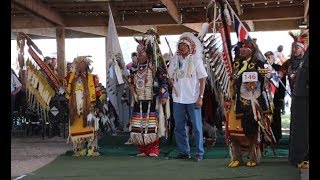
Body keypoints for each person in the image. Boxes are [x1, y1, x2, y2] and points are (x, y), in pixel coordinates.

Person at [226, 39, 272, 167]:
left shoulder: (259, 62)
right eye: (241, 48)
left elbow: (267, 77)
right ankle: (236, 158)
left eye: (245, 48)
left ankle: (253, 157)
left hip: (252, 102)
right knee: (234, 131)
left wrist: (262, 75)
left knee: (252, 130)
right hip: (236, 102)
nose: (242, 50)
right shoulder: (236, 63)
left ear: (252, 50)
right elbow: (232, 79)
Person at [127, 29, 169, 157]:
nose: (139, 54)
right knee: (138, 125)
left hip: (152, 99)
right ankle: (142, 149)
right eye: (138, 52)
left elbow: (164, 80)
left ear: (148, 53)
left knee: (151, 125)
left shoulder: (155, 66)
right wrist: (131, 87)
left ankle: (153, 149)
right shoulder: (134, 68)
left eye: (142, 52)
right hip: (139, 100)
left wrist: (164, 95)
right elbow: (131, 81)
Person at [167, 32, 208, 162]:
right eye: (180, 45)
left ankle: (199, 152)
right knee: (179, 126)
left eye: (184, 45)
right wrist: (170, 81)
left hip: (193, 98)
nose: (182, 47)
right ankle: (184, 151)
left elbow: (202, 79)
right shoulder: (175, 60)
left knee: (196, 127)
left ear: (190, 47)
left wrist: (200, 97)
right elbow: (170, 76)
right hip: (178, 98)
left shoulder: (196, 60)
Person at [65, 56, 102, 156]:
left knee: (91, 128)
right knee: (77, 128)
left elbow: (98, 93)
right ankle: (79, 150)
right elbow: (66, 94)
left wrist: (99, 106)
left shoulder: (92, 78)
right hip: (74, 108)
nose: (79, 66)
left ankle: (92, 149)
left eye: (81, 64)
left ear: (86, 66)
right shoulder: (69, 78)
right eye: (77, 64)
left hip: (89, 107)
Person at [288, 42, 309, 168]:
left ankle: (300, 157)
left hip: (302, 96)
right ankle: (300, 157)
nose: (294, 50)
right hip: (301, 96)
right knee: (300, 129)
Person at [264, 51, 286, 143]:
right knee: (265, 116)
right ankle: (266, 136)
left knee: (276, 116)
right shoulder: (262, 68)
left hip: (276, 97)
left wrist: (281, 97)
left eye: (270, 58)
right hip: (265, 96)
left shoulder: (278, 68)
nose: (268, 60)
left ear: (273, 59)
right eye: (266, 58)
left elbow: (282, 84)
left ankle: (277, 136)